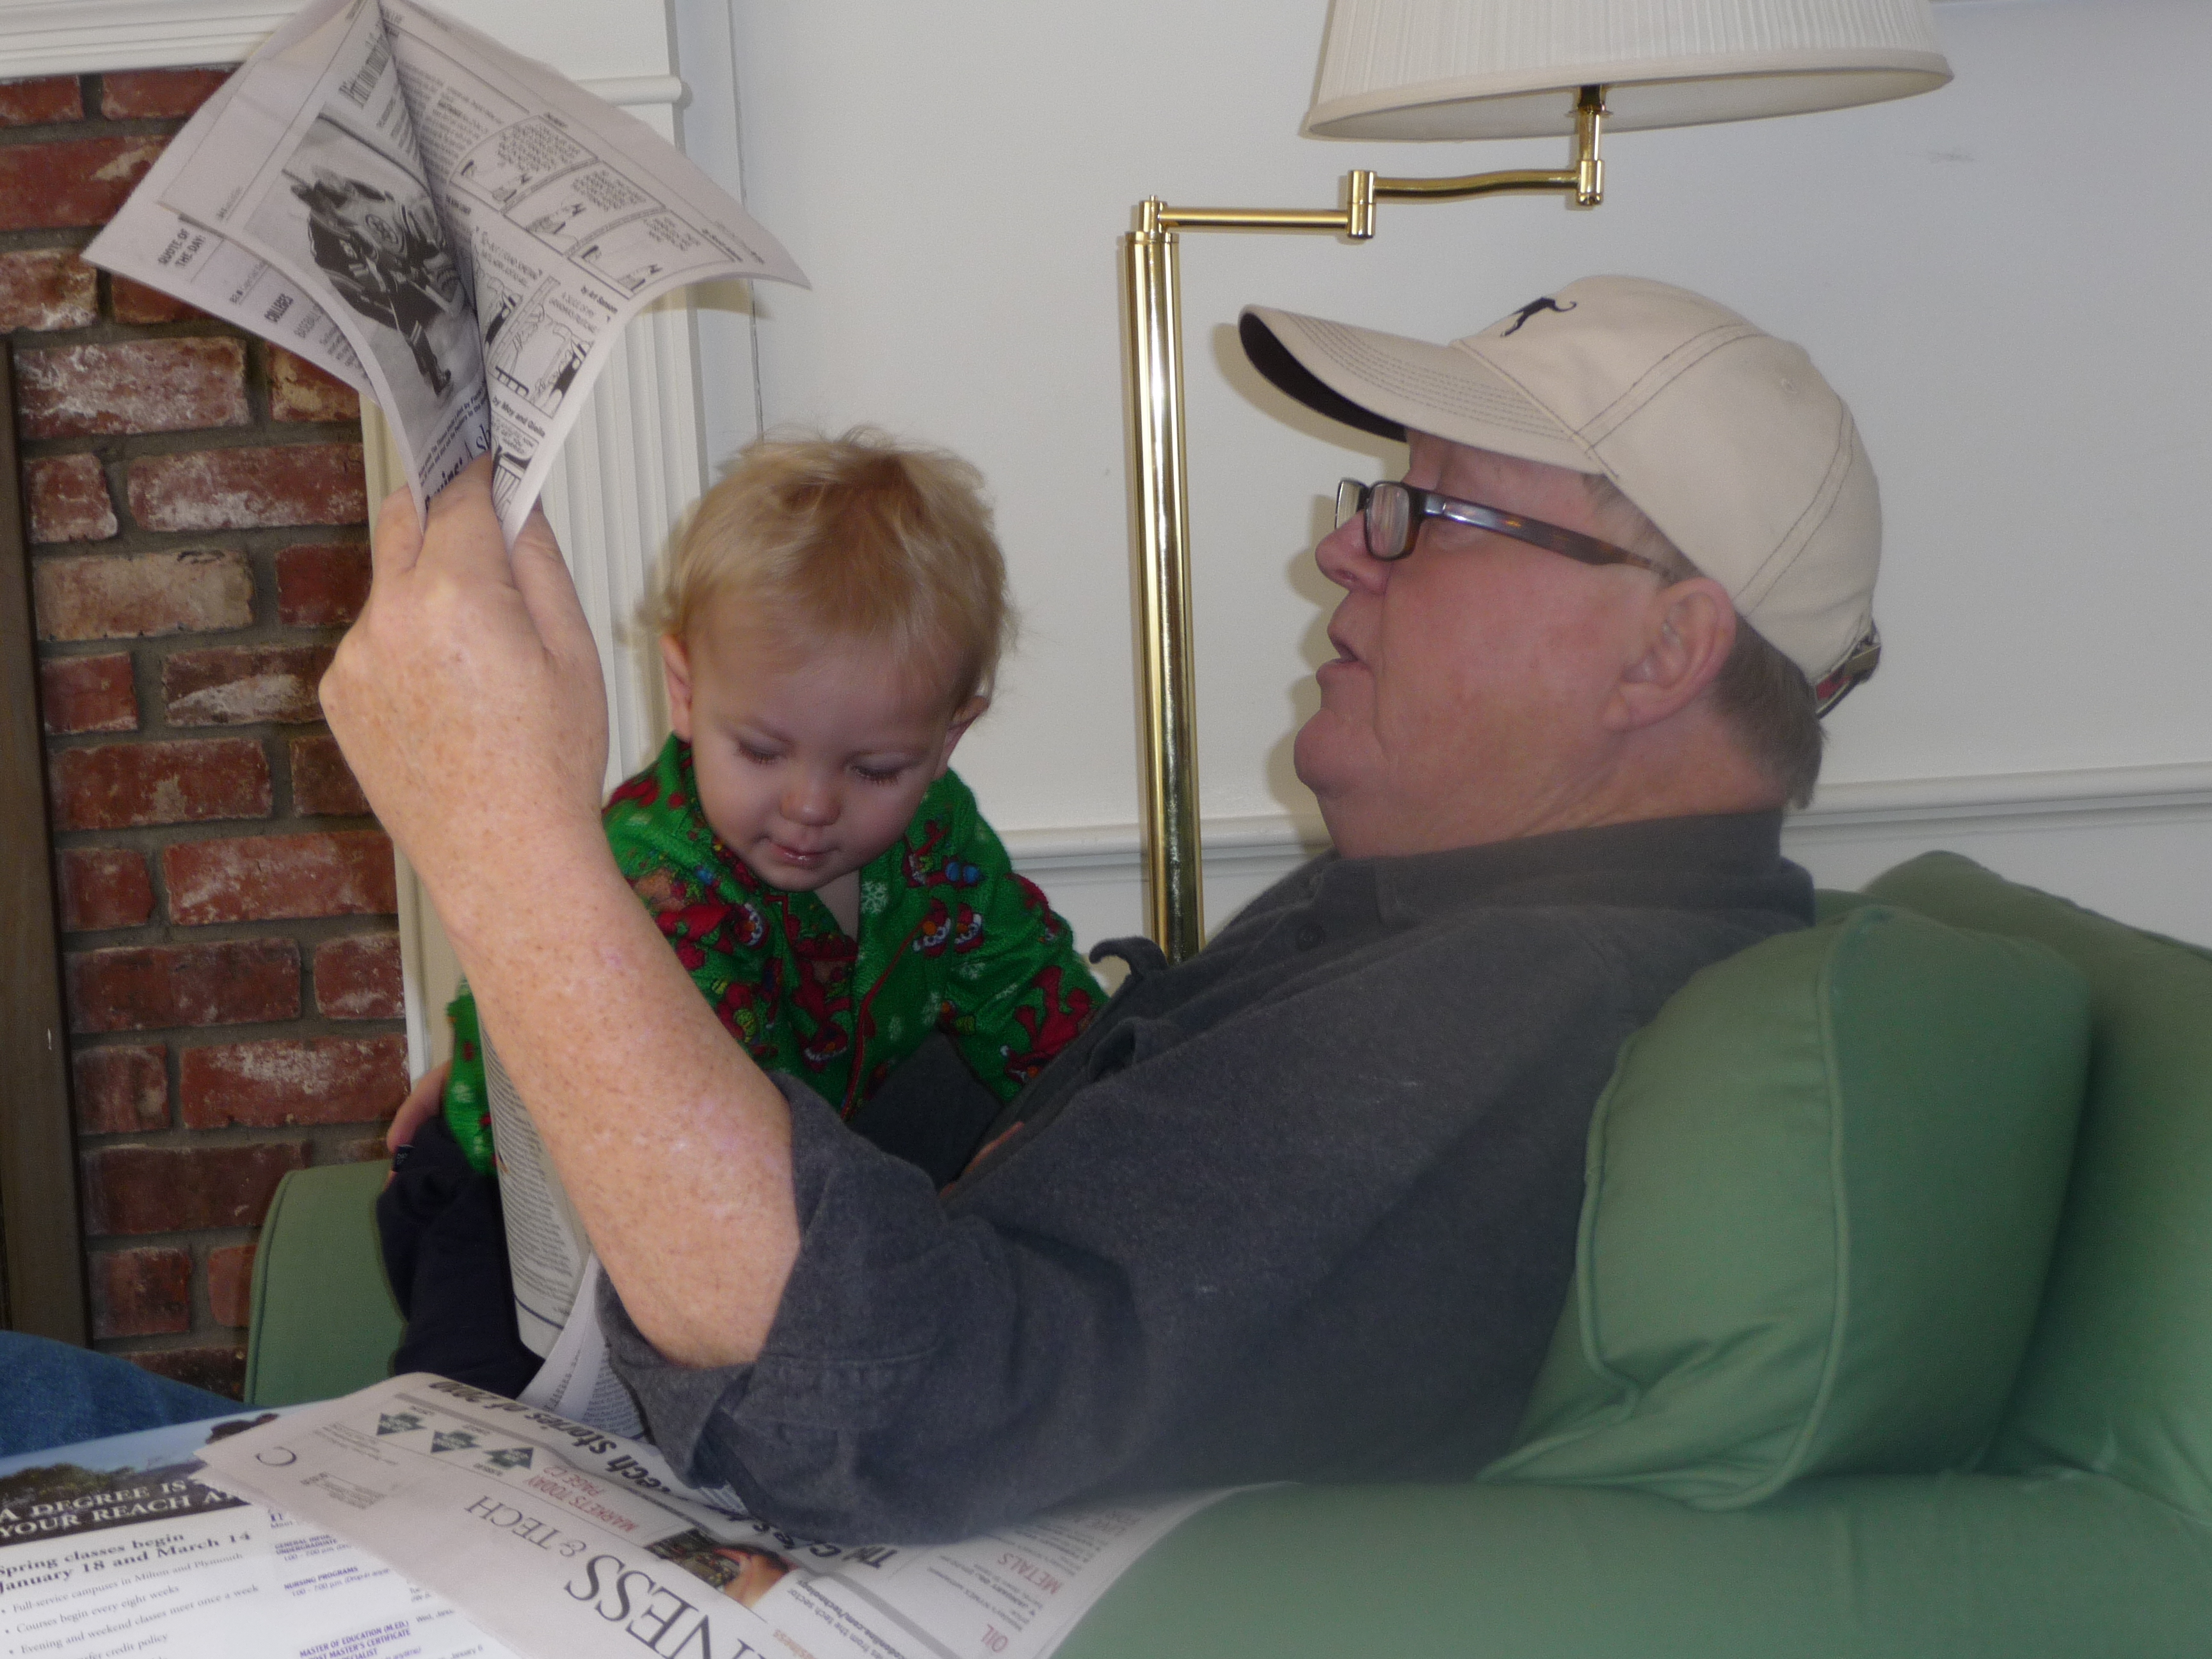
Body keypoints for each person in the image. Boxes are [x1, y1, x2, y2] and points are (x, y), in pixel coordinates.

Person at [0, 277, 1881, 1547]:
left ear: (1665, 648)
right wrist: (560, 1075)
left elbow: (895, 1394)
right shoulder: (1436, 924)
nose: (1344, 545)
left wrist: (503, 841)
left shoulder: (1528, 999)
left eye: (1433, 515)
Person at [380, 431, 1105, 1390]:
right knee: (480, 1402)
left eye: (874, 769)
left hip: (733, 1200)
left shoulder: (939, 840)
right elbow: (717, 1157)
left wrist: (1073, 1124)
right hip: (512, 1199)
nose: (810, 805)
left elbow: (1033, 994)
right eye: (761, 752)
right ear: (684, 693)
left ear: (947, 738)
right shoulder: (663, 880)